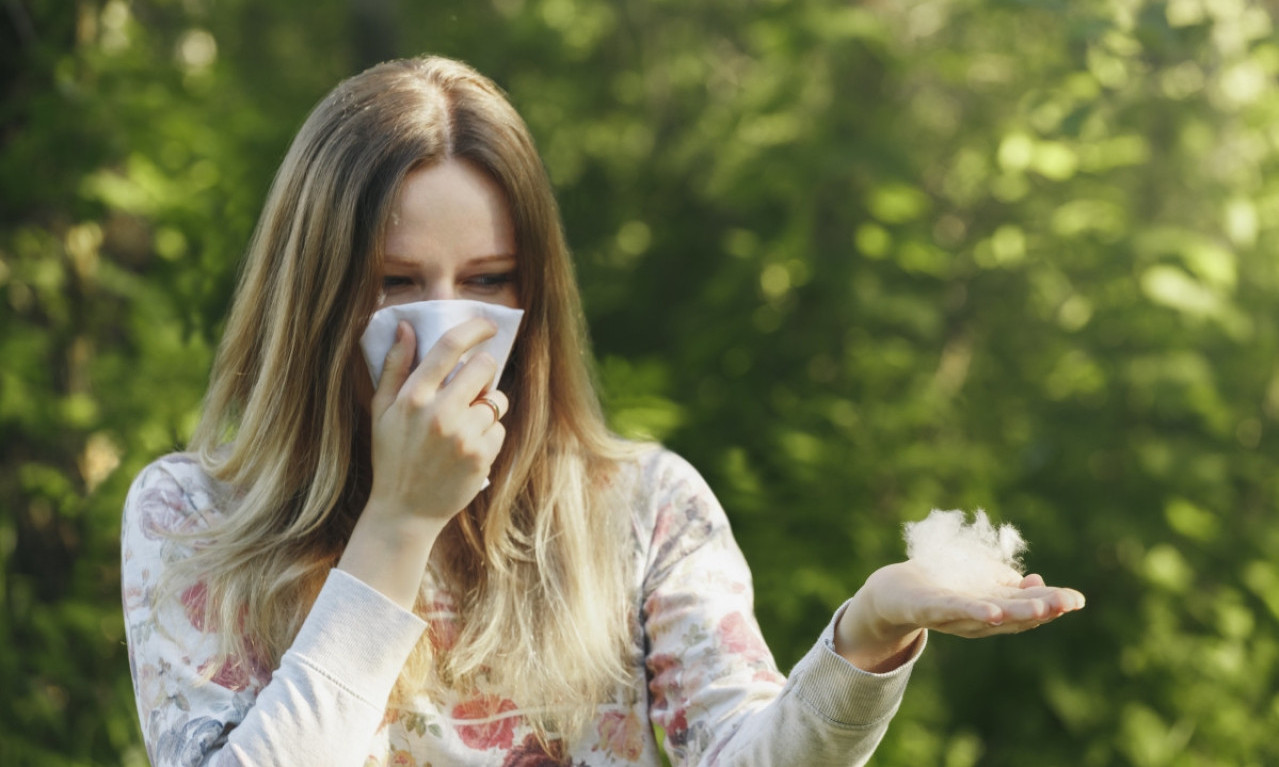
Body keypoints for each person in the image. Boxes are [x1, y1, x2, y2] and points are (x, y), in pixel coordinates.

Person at [121, 55, 1084, 767]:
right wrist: (398, 524)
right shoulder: (192, 518)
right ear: (318, 293)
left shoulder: (644, 507)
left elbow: (742, 754)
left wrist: (866, 636)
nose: (450, 321)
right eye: (397, 283)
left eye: (490, 280)